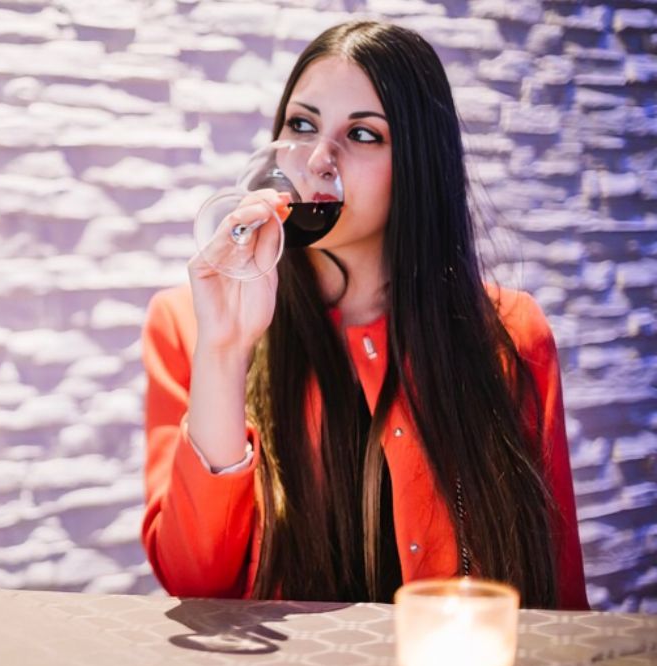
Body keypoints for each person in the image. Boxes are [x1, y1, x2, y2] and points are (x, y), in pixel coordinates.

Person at [140, 20, 589, 610]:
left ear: (418, 164)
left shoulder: (506, 333)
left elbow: (554, 593)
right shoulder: (189, 322)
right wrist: (225, 353)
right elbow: (195, 582)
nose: (319, 159)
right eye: (302, 125)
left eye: (364, 135)